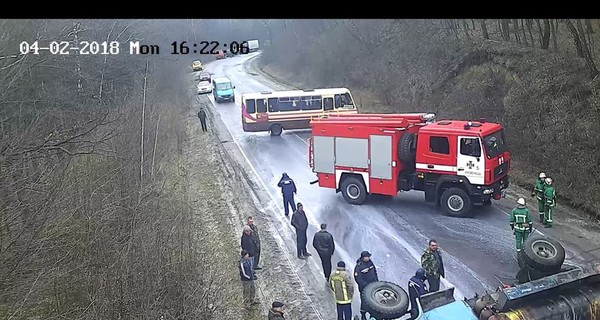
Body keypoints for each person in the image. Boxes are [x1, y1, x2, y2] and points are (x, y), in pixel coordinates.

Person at [354, 251, 378, 320]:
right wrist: (364, 285)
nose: (368, 258)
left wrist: (376, 281)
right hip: (364, 288)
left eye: (368, 257)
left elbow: (374, 272)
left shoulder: (370, 263)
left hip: (372, 286)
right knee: (364, 301)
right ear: (363, 257)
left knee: (373, 301)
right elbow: (358, 278)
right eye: (367, 257)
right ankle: (363, 315)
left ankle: (372, 315)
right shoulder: (359, 266)